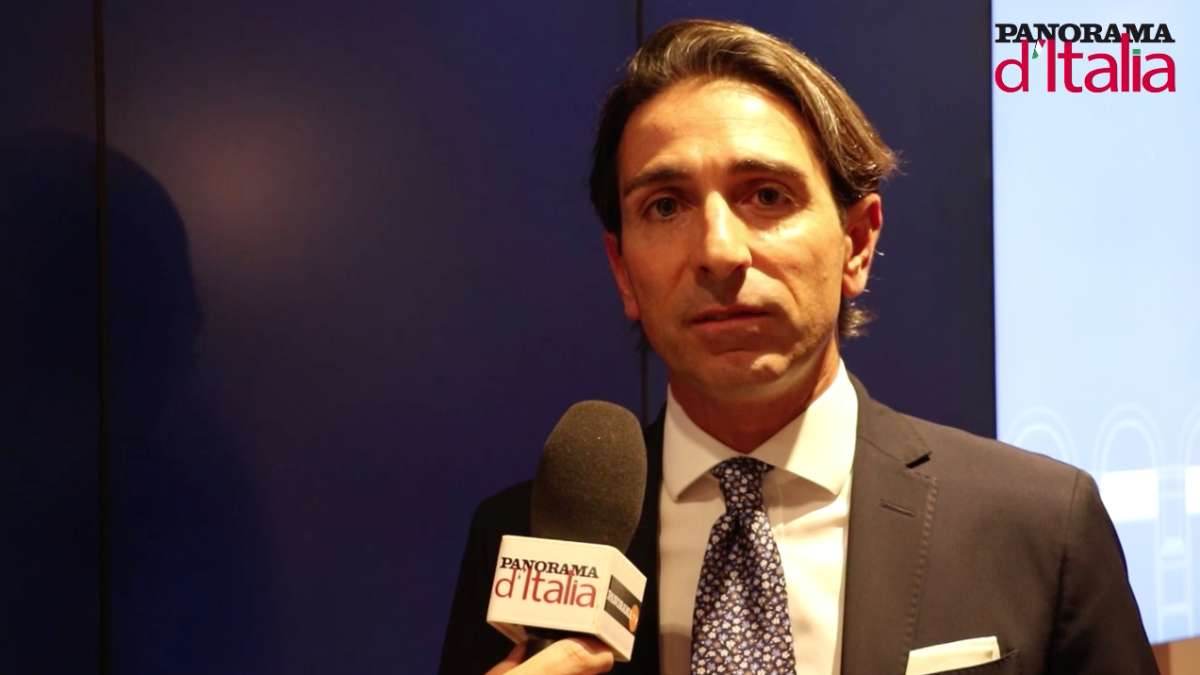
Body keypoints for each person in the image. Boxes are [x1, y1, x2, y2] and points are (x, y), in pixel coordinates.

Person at [438, 19, 1158, 675]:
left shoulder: (1041, 524)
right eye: (666, 205)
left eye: (766, 196)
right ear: (623, 270)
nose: (719, 251)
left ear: (858, 242)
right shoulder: (525, 541)